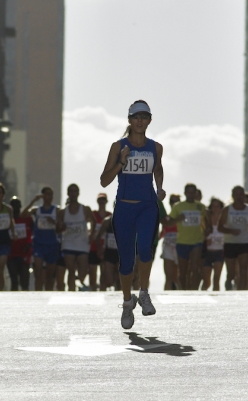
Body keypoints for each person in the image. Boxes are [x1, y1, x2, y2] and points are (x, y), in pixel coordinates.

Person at [100, 99, 165, 329]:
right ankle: (128, 303)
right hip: (124, 209)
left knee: (146, 249)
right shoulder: (118, 147)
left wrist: (159, 187)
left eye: (144, 117)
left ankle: (144, 292)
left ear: (149, 120)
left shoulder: (156, 147)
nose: (140, 121)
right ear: (129, 120)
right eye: (136, 117)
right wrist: (121, 163)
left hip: (147, 206)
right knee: (126, 263)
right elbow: (104, 180)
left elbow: (158, 168)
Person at [218, 186, 248, 291]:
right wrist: (231, 231)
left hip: (244, 242)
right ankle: (228, 284)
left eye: (241, 194)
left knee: (243, 270)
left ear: (244, 195)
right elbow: (220, 227)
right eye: (236, 194)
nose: (239, 197)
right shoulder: (227, 210)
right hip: (230, 243)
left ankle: (240, 293)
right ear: (232, 196)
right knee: (231, 273)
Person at [166, 183, 206, 290]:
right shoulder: (178, 206)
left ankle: (193, 290)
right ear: (185, 193)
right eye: (189, 192)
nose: (191, 194)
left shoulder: (201, 207)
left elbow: (207, 224)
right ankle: (184, 290)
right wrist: (178, 219)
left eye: (193, 192)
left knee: (195, 268)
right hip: (182, 242)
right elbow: (168, 223)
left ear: (196, 193)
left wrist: (206, 232)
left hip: (197, 242)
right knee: (183, 271)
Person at [57, 184, 96, 291]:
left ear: (78, 193)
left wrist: (92, 234)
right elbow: (57, 229)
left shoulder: (85, 209)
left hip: (82, 244)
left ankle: (80, 284)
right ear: (68, 193)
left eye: (75, 191)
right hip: (68, 244)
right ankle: (71, 292)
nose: (73, 193)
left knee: (82, 272)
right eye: (71, 191)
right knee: (71, 270)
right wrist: (62, 228)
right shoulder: (62, 212)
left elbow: (94, 221)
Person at [21, 187, 59, 291]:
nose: (49, 197)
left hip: (52, 245)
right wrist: (33, 201)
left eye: (51, 194)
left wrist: (54, 222)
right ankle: (38, 296)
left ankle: (48, 294)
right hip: (38, 245)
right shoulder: (36, 210)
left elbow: (61, 227)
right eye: (47, 194)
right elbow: (23, 215)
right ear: (42, 196)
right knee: (38, 274)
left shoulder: (57, 210)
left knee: (49, 276)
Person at [88, 193, 112, 291]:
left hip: (105, 248)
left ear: (106, 201)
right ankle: (93, 293)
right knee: (92, 275)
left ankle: (103, 294)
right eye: (100, 200)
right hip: (93, 247)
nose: (102, 202)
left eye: (103, 200)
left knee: (104, 276)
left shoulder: (109, 216)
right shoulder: (93, 214)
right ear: (97, 201)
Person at [8, 197, 33, 291]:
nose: (15, 208)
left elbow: (35, 233)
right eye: (13, 206)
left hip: (24, 255)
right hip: (11, 255)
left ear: (20, 206)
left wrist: (30, 244)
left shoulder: (28, 219)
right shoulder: (8, 220)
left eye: (17, 205)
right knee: (14, 282)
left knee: (25, 282)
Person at [202, 197, 225, 291]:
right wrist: (205, 240)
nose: (216, 209)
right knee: (206, 281)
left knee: (216, 279)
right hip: (207, 252)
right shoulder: (206, 219)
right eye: (213, 206)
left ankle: (217, 298)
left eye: (218, 206)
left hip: (220, 251)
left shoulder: (225, 220)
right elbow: (201, 233)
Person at [160, 194, 181, 290]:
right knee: (168, 277)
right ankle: (166, 296)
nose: (174, 203)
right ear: (169, 203)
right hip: (168, 246)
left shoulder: (183, 217)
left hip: (180, 246)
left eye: (177, 201)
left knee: (178, 277)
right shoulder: (166, 218)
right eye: (172, 201)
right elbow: (162, 233)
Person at [95, 215, 119, 291]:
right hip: (109, 252)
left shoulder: (128, 220)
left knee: (120, 279)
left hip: (121, 253)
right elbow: (98, 237)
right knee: (108, 281)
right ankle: (103, 290)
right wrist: (99, 250)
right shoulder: (107, 221)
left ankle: (121, 297)